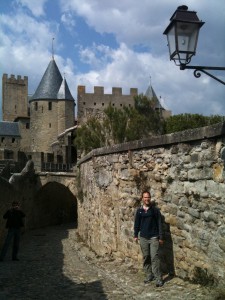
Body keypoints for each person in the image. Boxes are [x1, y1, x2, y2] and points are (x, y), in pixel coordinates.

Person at [134, 191, 164, 287]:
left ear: (150, 198)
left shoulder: (155, 210)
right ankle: (149, 275)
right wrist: (135, 235)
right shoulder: (139, 211)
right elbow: (137, 224)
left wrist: (161, 237)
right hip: (143, 237)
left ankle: (159, 278)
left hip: (154, 237)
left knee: (154, 257)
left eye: (148, 197)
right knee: (146, 257)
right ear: (142, 198)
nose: (147, 199)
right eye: (145, 197)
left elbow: (159, 223)